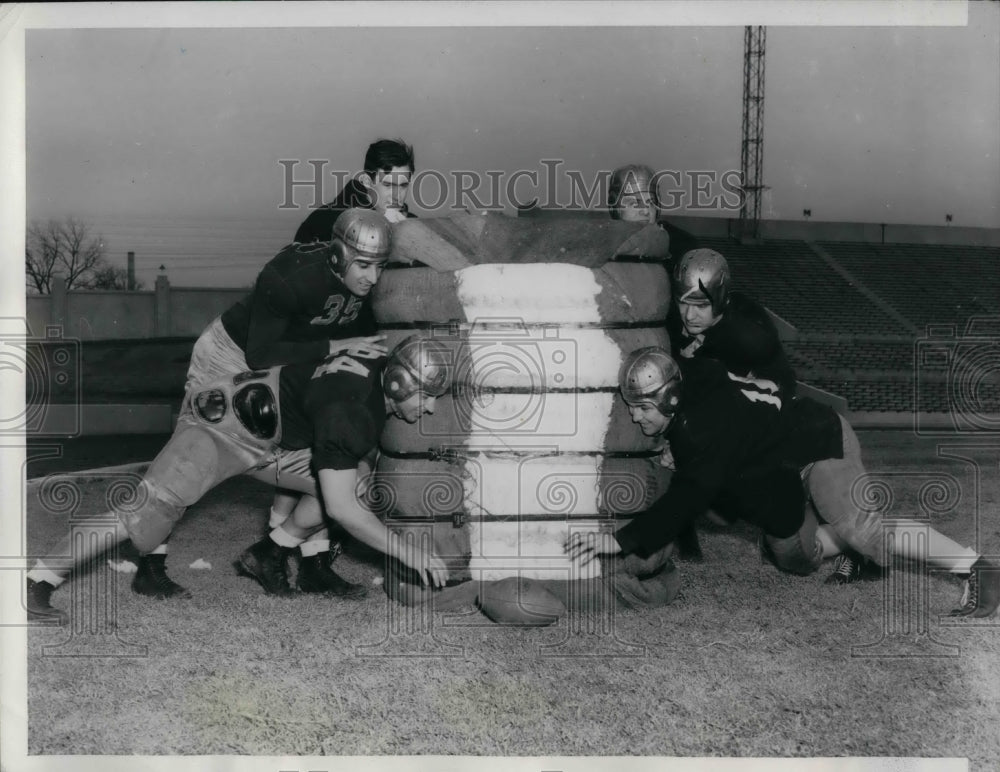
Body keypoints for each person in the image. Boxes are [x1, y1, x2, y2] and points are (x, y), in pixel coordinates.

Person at [25, 336, 452, 624]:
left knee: (355, 481)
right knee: (141, 517)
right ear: (397, 382)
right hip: (220, 429)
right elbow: (342, 510)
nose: (429, 408)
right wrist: (405, 552)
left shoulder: (376, 369)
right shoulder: (352, 413)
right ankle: (36, 581)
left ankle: (268, 552)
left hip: (271, 439)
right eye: (426, 395)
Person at [566, 347, 1000, 619]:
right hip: (776, 474)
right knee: (797, 559)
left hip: (816, 443)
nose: (636, 417)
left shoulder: (701, 432)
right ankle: (851, 551)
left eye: (642, 408)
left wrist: (621, 540)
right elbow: (709, 364)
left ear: (670, 399)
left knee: (868, 534)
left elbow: (686, 499)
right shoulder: (692, 379)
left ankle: (977, 567)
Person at [295, 138, 416, 244]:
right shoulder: (323, 222)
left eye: (403, 186)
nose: (397, 196)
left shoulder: (414, 225)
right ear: (367, 182)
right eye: (388, 185)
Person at [607, 163, 700, 264]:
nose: (646, 211)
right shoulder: (603, 247)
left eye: (651, 203)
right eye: (634, 203)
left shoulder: (683, 245)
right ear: (615, 209)